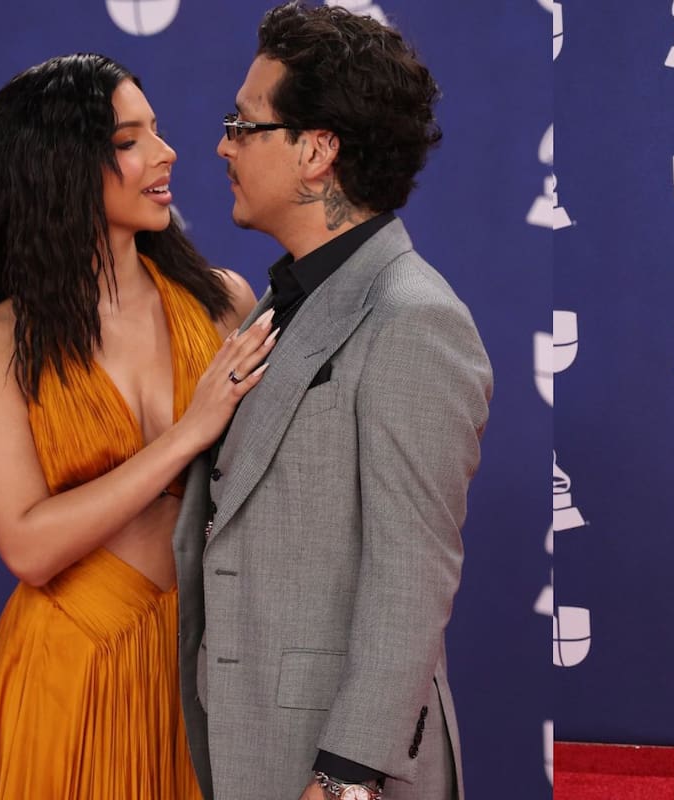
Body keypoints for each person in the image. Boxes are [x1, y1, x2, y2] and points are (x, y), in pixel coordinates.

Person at [172, 4, 492, 800]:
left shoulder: (413, 317)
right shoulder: (281, 298)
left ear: (315, 152)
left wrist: (347, 779)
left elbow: (412, 578)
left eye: (243, 125)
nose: (222, 145)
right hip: (251, 742)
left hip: (337, 765)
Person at [0, 54, 269, 798]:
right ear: (59, 170)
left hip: (209, 670)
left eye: (156, 131)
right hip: (67, 672)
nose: (166, 155)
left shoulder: (223, 301)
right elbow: (30, 546)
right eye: (130, 140)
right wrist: (189, 434)